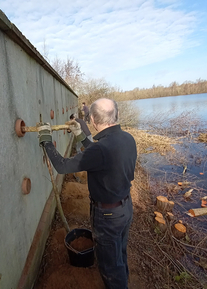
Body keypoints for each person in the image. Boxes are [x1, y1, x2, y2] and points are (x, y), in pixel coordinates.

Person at [38, 98, 137, 289]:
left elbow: (62, 166)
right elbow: (101, 157)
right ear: (116, 115)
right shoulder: (127, 139)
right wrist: (82, 138)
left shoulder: (101, 148)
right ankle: (123, 281)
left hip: (108, 216)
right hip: (125, 209)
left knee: (109, 266)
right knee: (120, 253)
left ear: (92, 119)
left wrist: (46, 140)